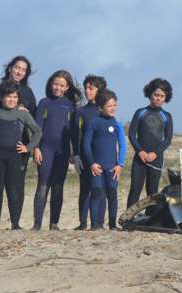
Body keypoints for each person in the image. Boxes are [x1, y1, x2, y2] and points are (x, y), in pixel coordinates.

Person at [0, 56, 37, 227]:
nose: (19, 71)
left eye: (23, 69)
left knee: (16, 186)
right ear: (10, 68)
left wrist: (30, 147)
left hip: (19, 147)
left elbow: (34, 120)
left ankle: (15, 223)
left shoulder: (27, 92)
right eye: (17, 67)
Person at [31, 70, 81, 230]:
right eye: (55, 84)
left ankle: (54, 223)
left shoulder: (70, 106)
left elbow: (73, 131)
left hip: (63, 151)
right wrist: (36, 148)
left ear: (67, 88)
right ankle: (37, 223)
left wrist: (74, 152)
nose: (57, 88)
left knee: (58, 186)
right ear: (50, 84)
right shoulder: (44, 102)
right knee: (43, 185)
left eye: (61, 85)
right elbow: (37, 127)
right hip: (45, 149)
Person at [126, 78, 174, 208]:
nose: (159, 98)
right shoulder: (140, 112)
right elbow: (131, 134)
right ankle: (128, 220)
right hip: (139, 158)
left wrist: (155, 153)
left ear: (166, 97)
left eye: (162, 96)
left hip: (156, 158)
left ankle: (150, 219)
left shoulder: (166, 116)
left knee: (152, 191)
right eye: (156, 95)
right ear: (150, 94)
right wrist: (140, 151)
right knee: (135, 188)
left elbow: (168, 139)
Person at [83, 89, 126, 230]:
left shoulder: (117, 125)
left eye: (114, 105)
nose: (113, 108)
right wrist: (91, 163)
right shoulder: (94, 123)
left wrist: (120, 164)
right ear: (100, 108)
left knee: (112, 194)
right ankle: (95, 225)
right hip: (97, 167)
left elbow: (123, 146)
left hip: (112, 168)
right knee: (96, 192)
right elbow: (86, 145)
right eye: (109, 106)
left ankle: (112, 224)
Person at [75, 74, 107, 230]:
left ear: (99, 90)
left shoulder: (105, 111)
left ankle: (99, 223)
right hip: (85, 156)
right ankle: (82, 223)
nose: (87, 91)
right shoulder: (80, 111)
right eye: (86, 88)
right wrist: (75, 155)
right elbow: (75, 135)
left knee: (100, 189)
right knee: (85, 189)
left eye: (91, 88)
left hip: (102, 156)